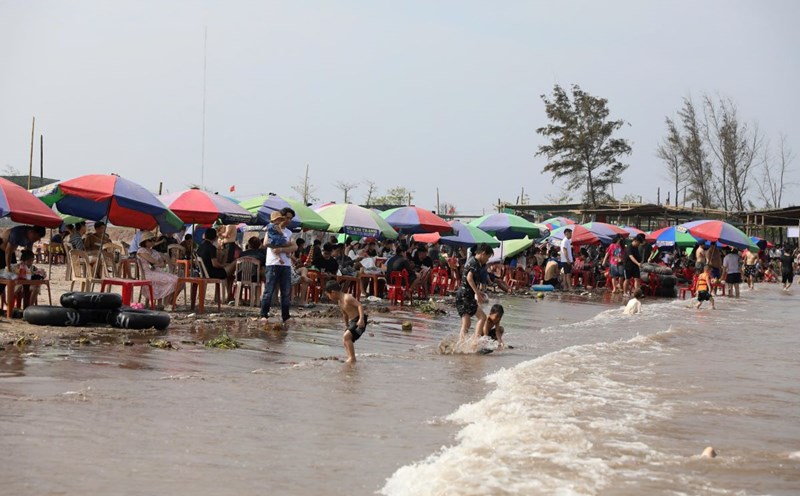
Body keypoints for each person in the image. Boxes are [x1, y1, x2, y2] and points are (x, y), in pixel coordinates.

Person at [260, 207, 298, 324]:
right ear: (280, 217)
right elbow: (266, 243)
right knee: (269, 290)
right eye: (287, 218)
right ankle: (264, 314)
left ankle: (285, 316)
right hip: (273, 263)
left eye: (290, 219)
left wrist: (281, 249)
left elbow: (294, 247)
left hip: (286, 265)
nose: (288, 220)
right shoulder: (271, 228)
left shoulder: (289, 232)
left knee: (285, 292)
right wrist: (284, 247)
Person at [455, 243, 493, 341]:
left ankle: (461, 343)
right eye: (488, 257)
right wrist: (477, 293)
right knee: (482, 317)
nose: (487, 260)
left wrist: (478, 291)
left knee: (466, 323)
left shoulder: (472, 260)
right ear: (483, 254)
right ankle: (475, 342)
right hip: (466, 295)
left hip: (462, 294)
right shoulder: (474, 263)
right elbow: (469, 278)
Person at [324, 280, 366, 364]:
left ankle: (352, 358)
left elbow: (359, 305)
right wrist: (346, 325)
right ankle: (349, 357)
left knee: (346, 337)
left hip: (359, 320)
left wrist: (361, 319)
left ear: (333, 293)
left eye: (328, 295)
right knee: (345, 339)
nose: (329, 297)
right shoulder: (340, 301)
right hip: (353, 321)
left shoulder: (347, 298)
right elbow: (345, 314)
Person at [136, 231, 179, 306]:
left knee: (177, 279)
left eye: (154, 240)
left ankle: (166, 302)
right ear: (145, 241)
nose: (153, 242)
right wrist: (158, 263)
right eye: (151, 240)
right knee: (172, 280)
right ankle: (166, 303)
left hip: (157, 272)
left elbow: (162, 263)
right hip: (148, 274)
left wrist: (158, 263)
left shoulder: (154, 251)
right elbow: (154, 261)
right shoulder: (141, 251)